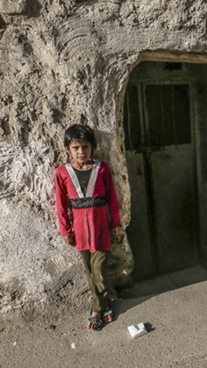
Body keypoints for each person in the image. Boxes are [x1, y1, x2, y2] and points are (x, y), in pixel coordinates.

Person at [55, 124, 121, 330]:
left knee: (99, 270)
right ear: (68, 149)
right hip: (80, 231)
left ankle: (95, 309)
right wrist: (66, 230)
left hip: (100, 227)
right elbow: (60, 203)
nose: (81, 152)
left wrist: (116, 222)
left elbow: (112, 198)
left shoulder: (101, 168)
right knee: (89, 271)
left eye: (85, 147)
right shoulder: (62, 173)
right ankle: (106, 302)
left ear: (92, 147)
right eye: (76, 148)